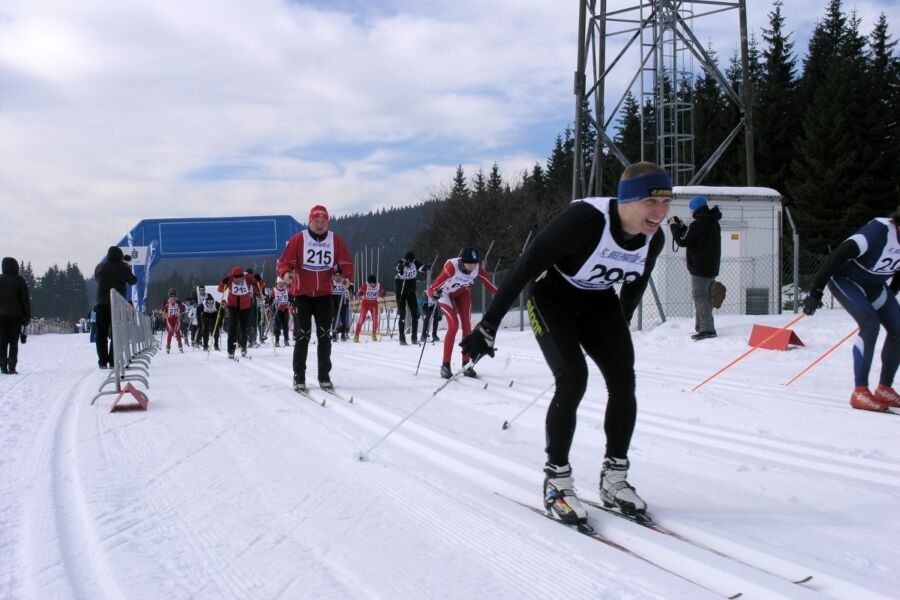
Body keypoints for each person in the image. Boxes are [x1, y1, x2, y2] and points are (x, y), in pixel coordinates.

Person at [460, 161, 671, 524]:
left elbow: (632, 289)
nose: (661, 212)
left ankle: (614, 476)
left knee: (623, 376)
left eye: (667, 202)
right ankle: (557, 480)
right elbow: (525, 265)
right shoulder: (585, 221)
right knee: (573, 377)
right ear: (628, 200)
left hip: (598, 302)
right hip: (550, 297)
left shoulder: (655, 239)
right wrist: (488, 325)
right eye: (652, 202)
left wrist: (615, 337)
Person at [802, 207, 900, 412]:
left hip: (876, 286)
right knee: (870, 324)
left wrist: (892, 291)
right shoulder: (879, 231)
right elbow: (836, 256)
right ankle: (860, 391)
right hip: (846, 280)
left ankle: (884, 388)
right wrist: (815, 292)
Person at [278, 205, 353, 392]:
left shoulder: (334, 240)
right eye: (316, 222)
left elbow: (345, 261)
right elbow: (285, 261)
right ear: (310, 222)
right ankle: (299, 376)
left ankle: (324, 376)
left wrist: (346, 277)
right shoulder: (299, 240)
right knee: (302, 335)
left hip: (324, 294)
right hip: (302, 294)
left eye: (323, 222)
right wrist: (286, 273)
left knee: (324, 335)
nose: (320, 225)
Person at [426, 247, 497, 379]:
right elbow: (432, 288)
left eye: (475, 263)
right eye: (470, 263)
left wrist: (504, 294)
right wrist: (434, 294)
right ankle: (445, 366)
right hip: (445, 294)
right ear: (463, 262)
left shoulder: (477, 268)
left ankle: (466, 364)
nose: (473, 266)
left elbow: (490, 286)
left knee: (467, 327)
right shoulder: (451, 268)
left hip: (463, 294)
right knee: (453, 325)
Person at [669, 194, 722, 340]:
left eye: (691, 210)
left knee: (700, 297)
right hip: (712, 267)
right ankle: (701, 326)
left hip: (700, 269)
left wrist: (674, 228)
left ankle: (707, 329)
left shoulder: (698, 224)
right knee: (707, 298)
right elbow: (693, 237)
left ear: (695, 210)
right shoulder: (713, 222)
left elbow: (683, 241)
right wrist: (683, 227)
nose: (691, 213)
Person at [93, 246, 137, 369]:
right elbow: (133, 280)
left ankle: (102, 361)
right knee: (117, 333)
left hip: (101, 304)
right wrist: (125, 265)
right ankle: (113, 360)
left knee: (101, 334)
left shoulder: (100, 267)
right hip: (117, 304)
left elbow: (96, 277)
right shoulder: (122, 268)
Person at [0, 257, 32, 374]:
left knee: (2, 342)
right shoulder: (20, 281)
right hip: (16, 316)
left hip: (1, 316)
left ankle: (2, 365)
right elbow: (25, 300)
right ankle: (12, 366)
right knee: (13, 342)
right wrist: (27, 316)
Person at [218, 267, 259, 358]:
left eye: (240, 278)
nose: (238, 280)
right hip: (233, 306)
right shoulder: (229, 278)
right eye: (236, 278)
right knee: (233, 326)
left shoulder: (248, 277)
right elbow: (220, 290)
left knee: (244, 327)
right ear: (233, 277)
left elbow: (259, 286)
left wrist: (258, 280)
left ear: (243, 276)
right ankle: (231, 350)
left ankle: (243, 347)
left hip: (245, 306)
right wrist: (223, 282)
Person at [394, 252, 429, 345]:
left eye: (411, 261)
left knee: (415, 314)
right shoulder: (401, 263)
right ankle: (402, 338)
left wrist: (427, 267)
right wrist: (402, 266)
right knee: (402, 315)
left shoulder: (415, 263)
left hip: (411, 292)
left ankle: (414, 337)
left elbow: (422, 268)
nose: (410, 263)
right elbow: (397, 268)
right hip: (401, 292)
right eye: (408, 261)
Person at [354, 274, 385, 342]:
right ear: (369, 282)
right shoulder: (365, 285)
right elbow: (358, 293)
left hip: (374, 304)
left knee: (375, 320)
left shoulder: (378, 286)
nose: (373, 285)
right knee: (362, 319)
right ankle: (356, 334)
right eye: (371, 283)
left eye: (374, 283)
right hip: (365, 304)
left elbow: (381, 292)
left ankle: (374, 334)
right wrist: (360, 294)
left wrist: (383, 294)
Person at [161, 289, 185, 353]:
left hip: (176, 319)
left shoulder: (178, 303)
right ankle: (168, 346)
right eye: (171, 298)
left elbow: (183, 308)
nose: (173, 299)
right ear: (169, 298)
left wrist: (181, 306)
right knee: (170, 333)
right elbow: (162, 309)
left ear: (176, 298)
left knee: (177, 332)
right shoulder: (167, 303)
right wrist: (163, 306)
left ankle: (180, 346)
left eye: (174, 298)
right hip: (169, 319)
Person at [270, 277, 292, 347]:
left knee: (285, 325)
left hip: (285, 309)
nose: (281, 285)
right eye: (280, 283)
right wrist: (271, 303)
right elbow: (270, 299)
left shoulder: (287, 289)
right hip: (277, 310)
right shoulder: (274, 290)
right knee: (278, 325)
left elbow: (291, 296)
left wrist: (290, 301)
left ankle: (286, 340)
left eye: (282, 283)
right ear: (277, 283)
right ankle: (277, 340)